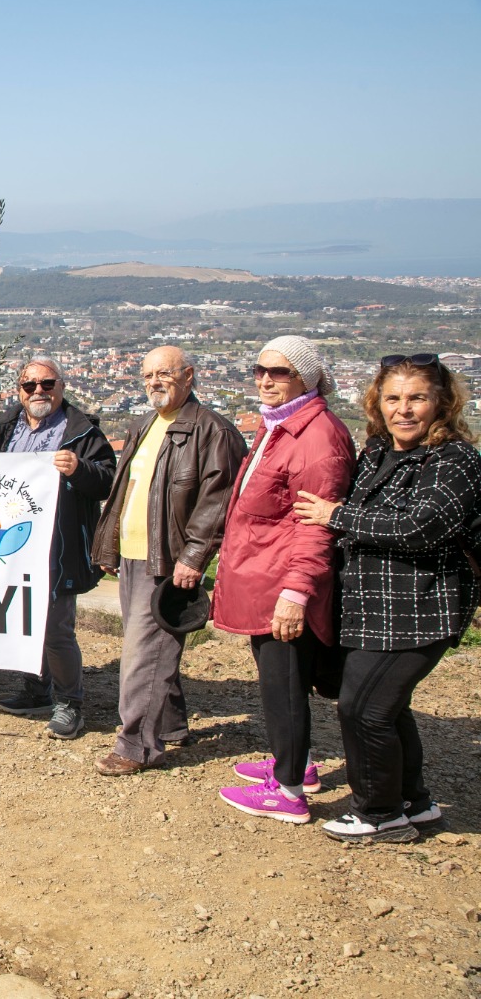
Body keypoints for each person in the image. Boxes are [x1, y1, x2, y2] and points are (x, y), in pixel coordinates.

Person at [292, 354, 480, 842]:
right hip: (371, 607)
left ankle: (379, 814)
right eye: (393, 398)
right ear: (377, 403)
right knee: (388, 708)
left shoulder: (454, 459)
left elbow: (422, 526)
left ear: (441, 402)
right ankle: (414, 803)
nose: (404, 409)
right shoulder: (378, 451)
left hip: (421, 608)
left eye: (417, 398)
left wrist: (336, 516)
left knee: (363, 709)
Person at [211, 335, 353, 824]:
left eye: (280, 372)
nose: (266, 380)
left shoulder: (317, 438)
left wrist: (296, 592)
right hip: (264, 575)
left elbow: (316, 529)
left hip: (281, 582)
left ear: (307, 378)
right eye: (260, 370)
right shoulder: (282, 425)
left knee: (285, 683)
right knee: (278, 681)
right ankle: (295, 763)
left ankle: (289, 790)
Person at [92, 346, 247, 773]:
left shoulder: (213, 431)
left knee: (143, 656)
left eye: (164, 373)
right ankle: (171, 726)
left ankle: (136, 746)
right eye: (147, 376)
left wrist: (193, 557)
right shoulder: (144, 424)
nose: (154, 382)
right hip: (134, 556)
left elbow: (218, 503)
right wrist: (111, 545)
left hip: (168, 560)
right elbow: (126, 491)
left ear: (188, 375)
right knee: (152, 648)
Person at [0, 356, 117, 738]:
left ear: (61, 387)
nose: (38, 391)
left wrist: (79, 468)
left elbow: (108, 481)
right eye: (29, 385)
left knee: (56, 626)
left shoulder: (82, 432)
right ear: (19, 391)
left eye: (47, 384)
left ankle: (69, 703)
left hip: (59, 543)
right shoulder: (4, 426)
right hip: (14, 541)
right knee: (24, 618)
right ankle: (37, 688)